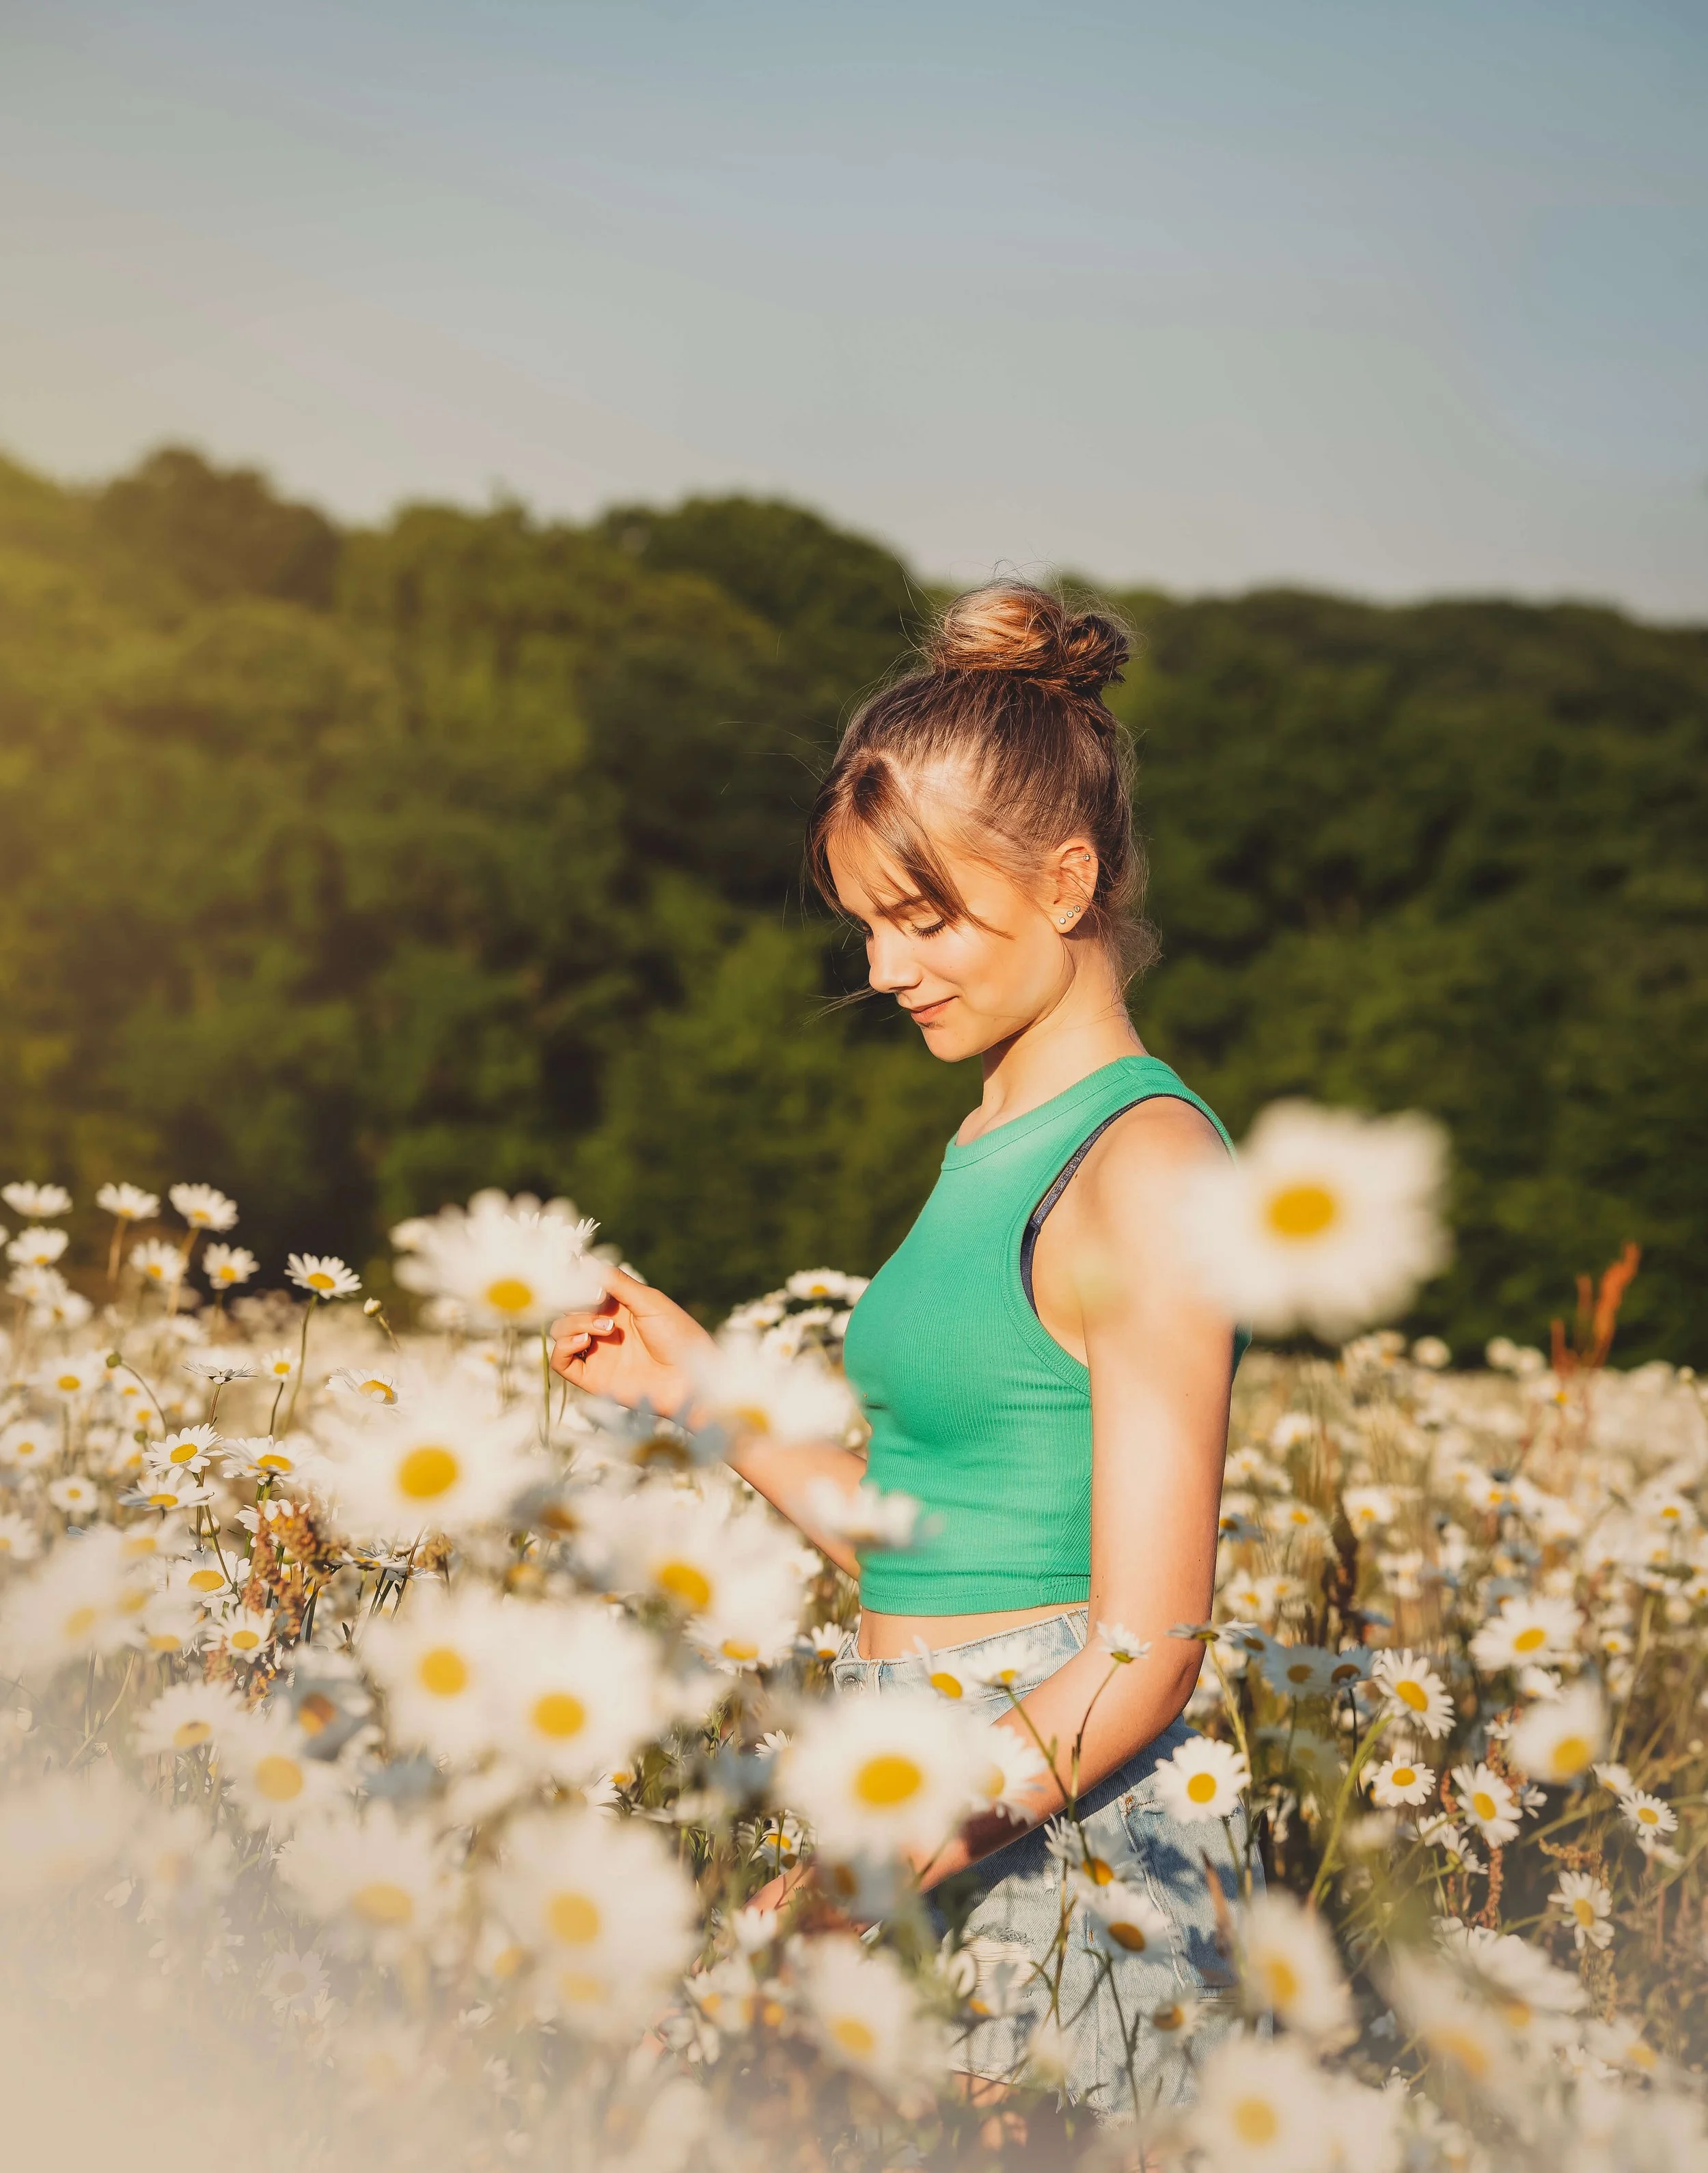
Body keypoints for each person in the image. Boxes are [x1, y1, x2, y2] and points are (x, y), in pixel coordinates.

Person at [550, 581, 1254, 2117]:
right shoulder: (993, 1127)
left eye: (920, 918)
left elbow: (1141, 1657)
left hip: (1053, 1836)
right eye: (868, 920)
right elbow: (929, 1529)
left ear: (1066, 880)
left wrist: (870, 1864)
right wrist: (702, 1398)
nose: (880, 971)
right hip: (934, 1799)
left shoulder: (1143, 1171)